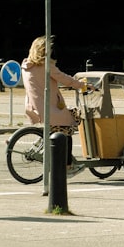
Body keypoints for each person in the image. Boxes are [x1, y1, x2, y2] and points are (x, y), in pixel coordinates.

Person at [21, 36, 89, 175]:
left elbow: (41, 84)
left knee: (57, 128)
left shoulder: (26, 66)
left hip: (34, 107)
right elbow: (64, 78)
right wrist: (83, 85)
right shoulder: (46, 66)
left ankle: (41, 146)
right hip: (49, 109)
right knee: (67, 130)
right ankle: (67, 167)